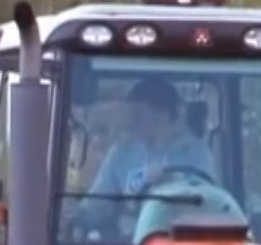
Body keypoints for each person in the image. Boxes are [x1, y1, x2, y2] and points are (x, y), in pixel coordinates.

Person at [84, 77, 218, 198]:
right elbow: (97, 203)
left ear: (161, 114)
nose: (131, 119)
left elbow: (205, 201)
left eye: (138, 113)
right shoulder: (121, 154)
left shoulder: (196, 153)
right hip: (130, 224)